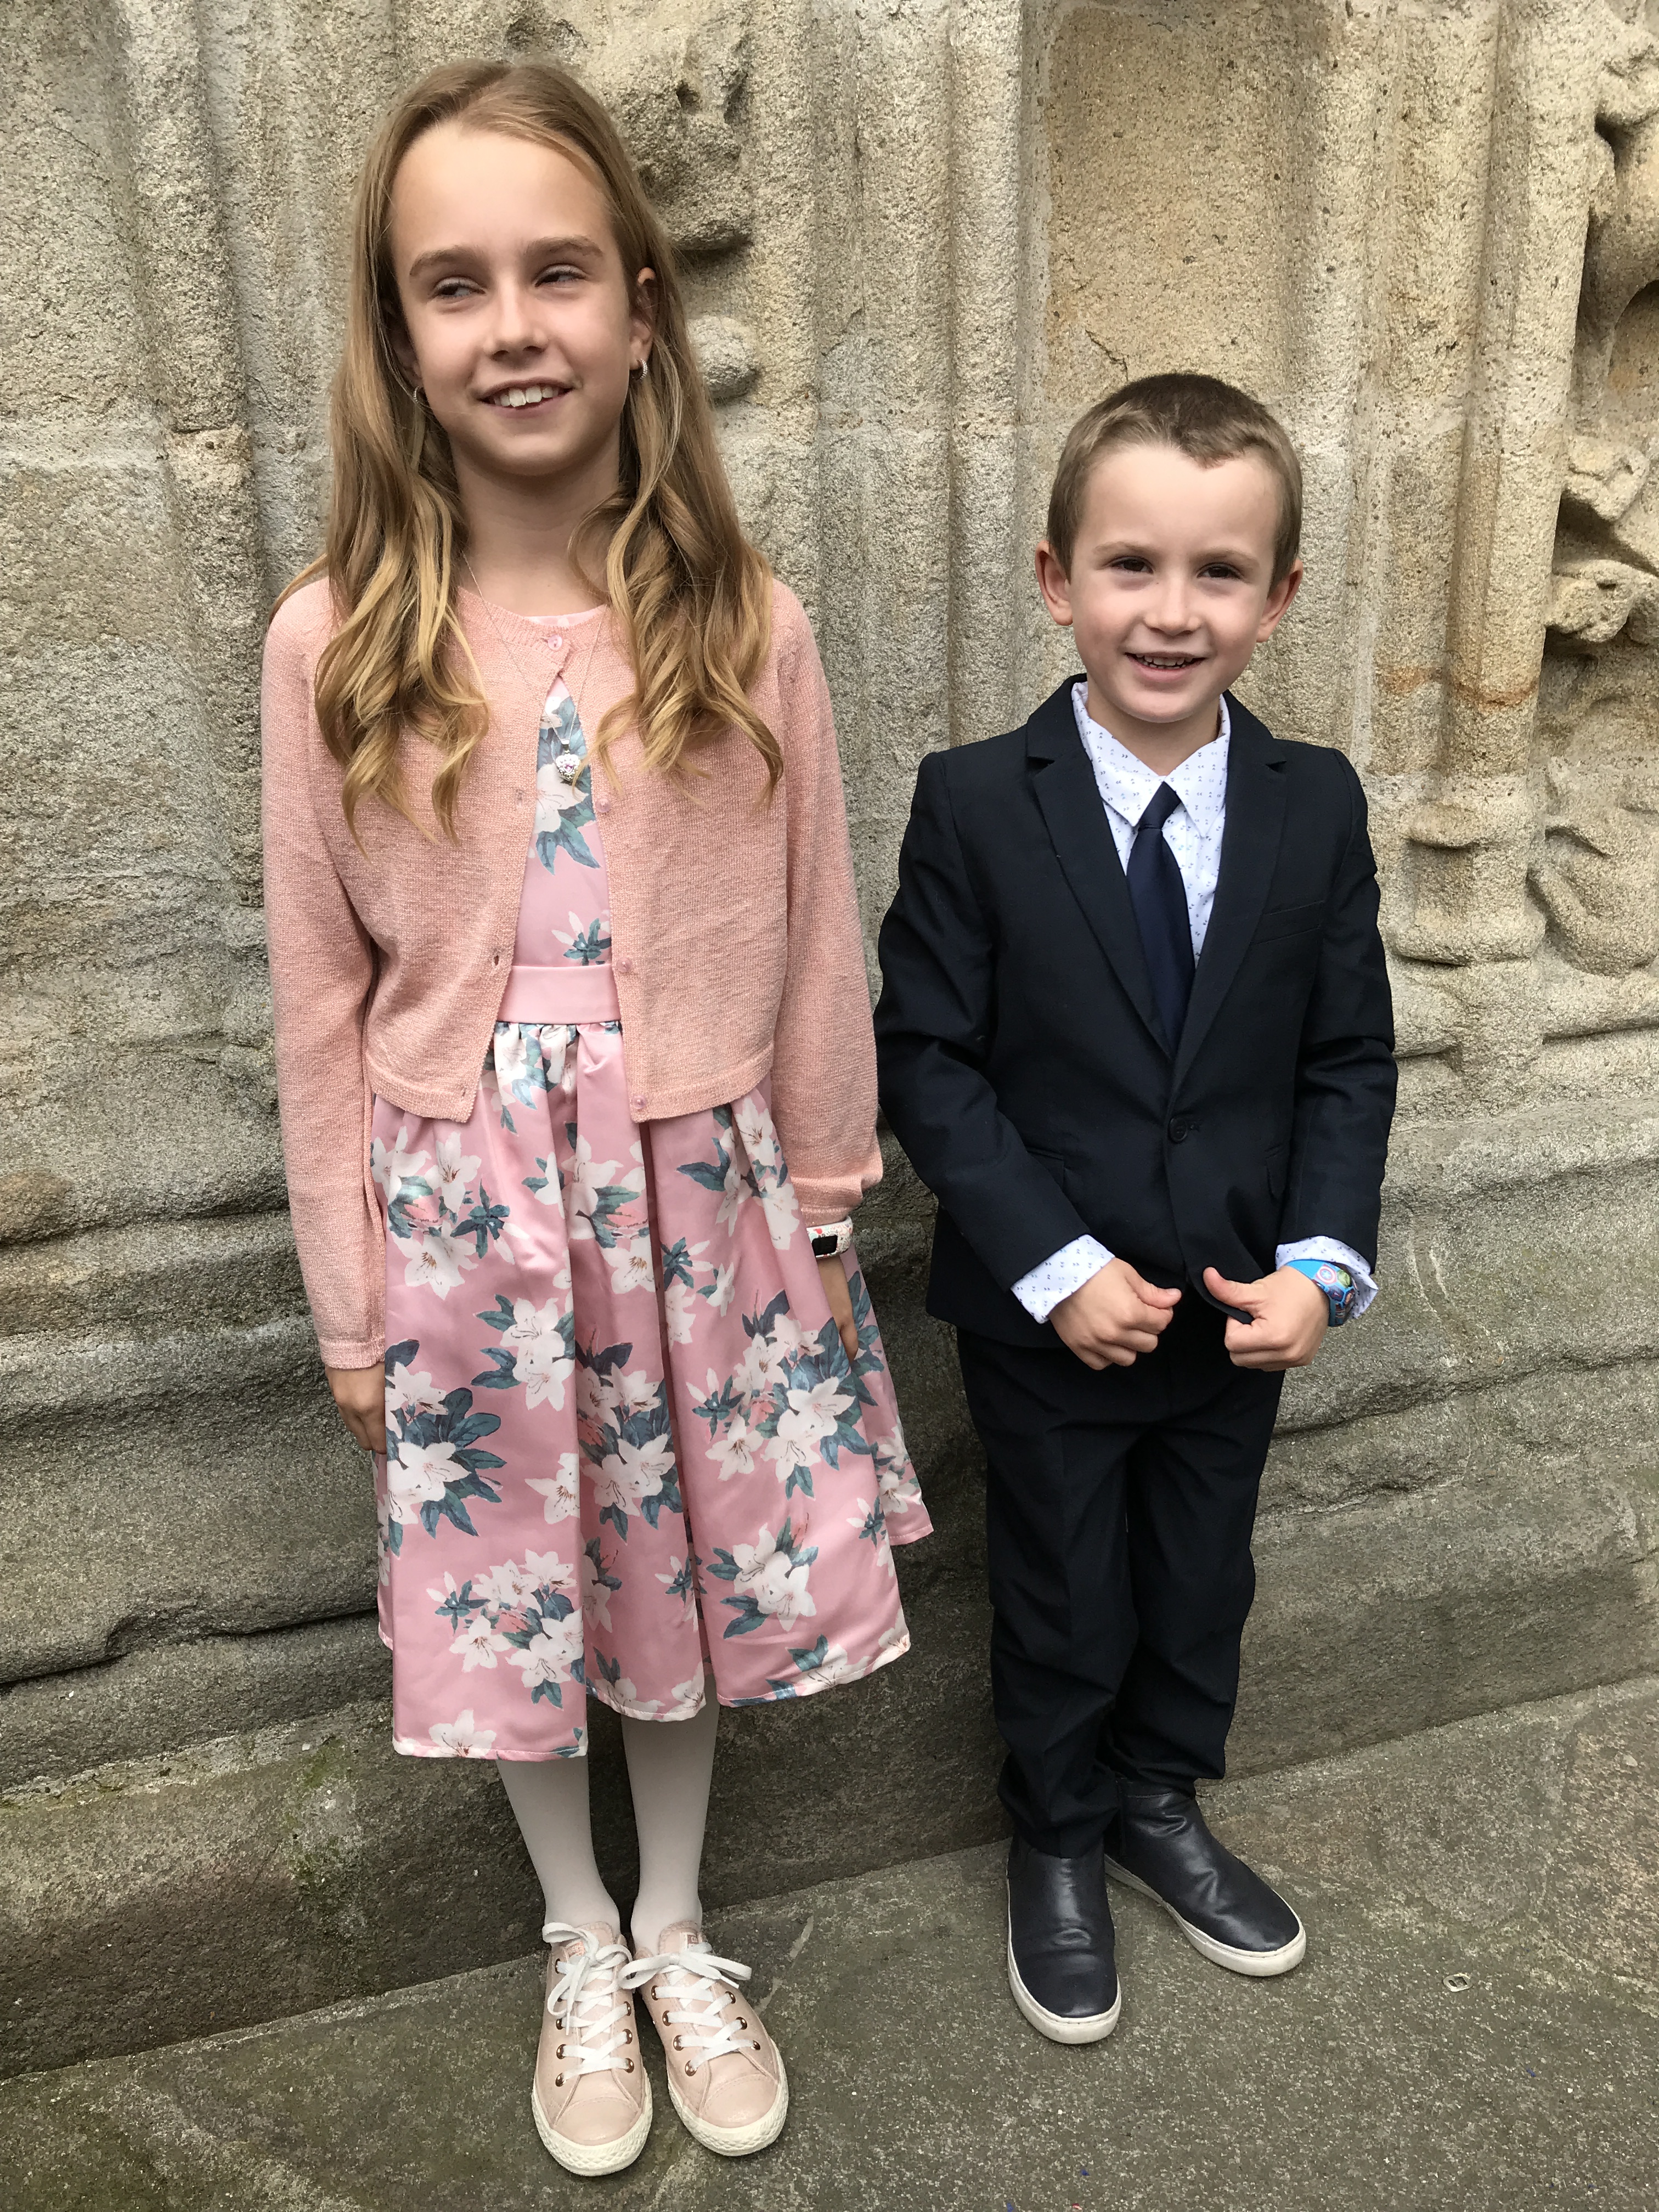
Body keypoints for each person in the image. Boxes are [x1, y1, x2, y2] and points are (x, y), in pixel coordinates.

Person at [261, 59, 929, 2176]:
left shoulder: (744, 623)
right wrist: (351, 1303)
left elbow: (814, 925)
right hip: (463, 1207)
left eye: (559, 273)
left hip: (697, 1190)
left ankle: (673, 1926)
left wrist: (827, 1189)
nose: (514, 326)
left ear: (644, 307)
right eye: (453, 285)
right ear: (400, 338)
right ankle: (573, 1933)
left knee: (677, 1571)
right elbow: (318, 997)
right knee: (515, 1579)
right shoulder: (333, 641)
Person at [874, 374, 1395, 2045]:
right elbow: (930, 1057)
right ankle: (1059, 1836)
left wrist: (1322, 1266)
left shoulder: (1317, 802)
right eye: (1131, 566)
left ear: (1279, 597)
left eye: (1219, 572)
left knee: (1199, 1579)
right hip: (1056, 1321)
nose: (1173, 612)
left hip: (1240, 1312)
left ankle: (1161, 1801)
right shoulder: (976, 800)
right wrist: (1053, 1263)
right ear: (1057, 580)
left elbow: (1345, 1057)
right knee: (1062, 1591)